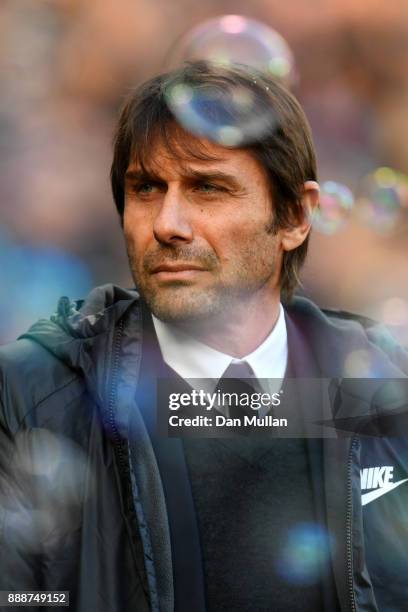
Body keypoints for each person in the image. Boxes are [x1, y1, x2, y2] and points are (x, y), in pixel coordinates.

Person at [0, 61, 407, 612]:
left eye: (207, 188)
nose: (167, 222)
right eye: (145, 188)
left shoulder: (388, 389)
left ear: (295, 216)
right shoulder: (31, 394)